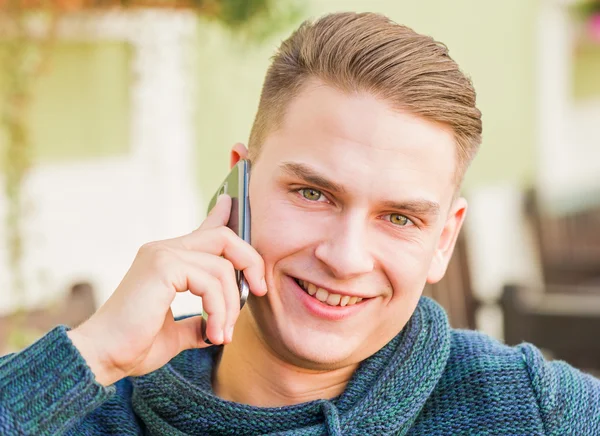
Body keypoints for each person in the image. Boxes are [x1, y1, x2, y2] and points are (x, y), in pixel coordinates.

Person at [1, 11, 599, 436]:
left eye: (399, 217)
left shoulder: (531, 409)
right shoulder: (88, 410)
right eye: (313, 193)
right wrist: (94, 357)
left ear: (443, 240)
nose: (345, 257)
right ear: (239, 184)